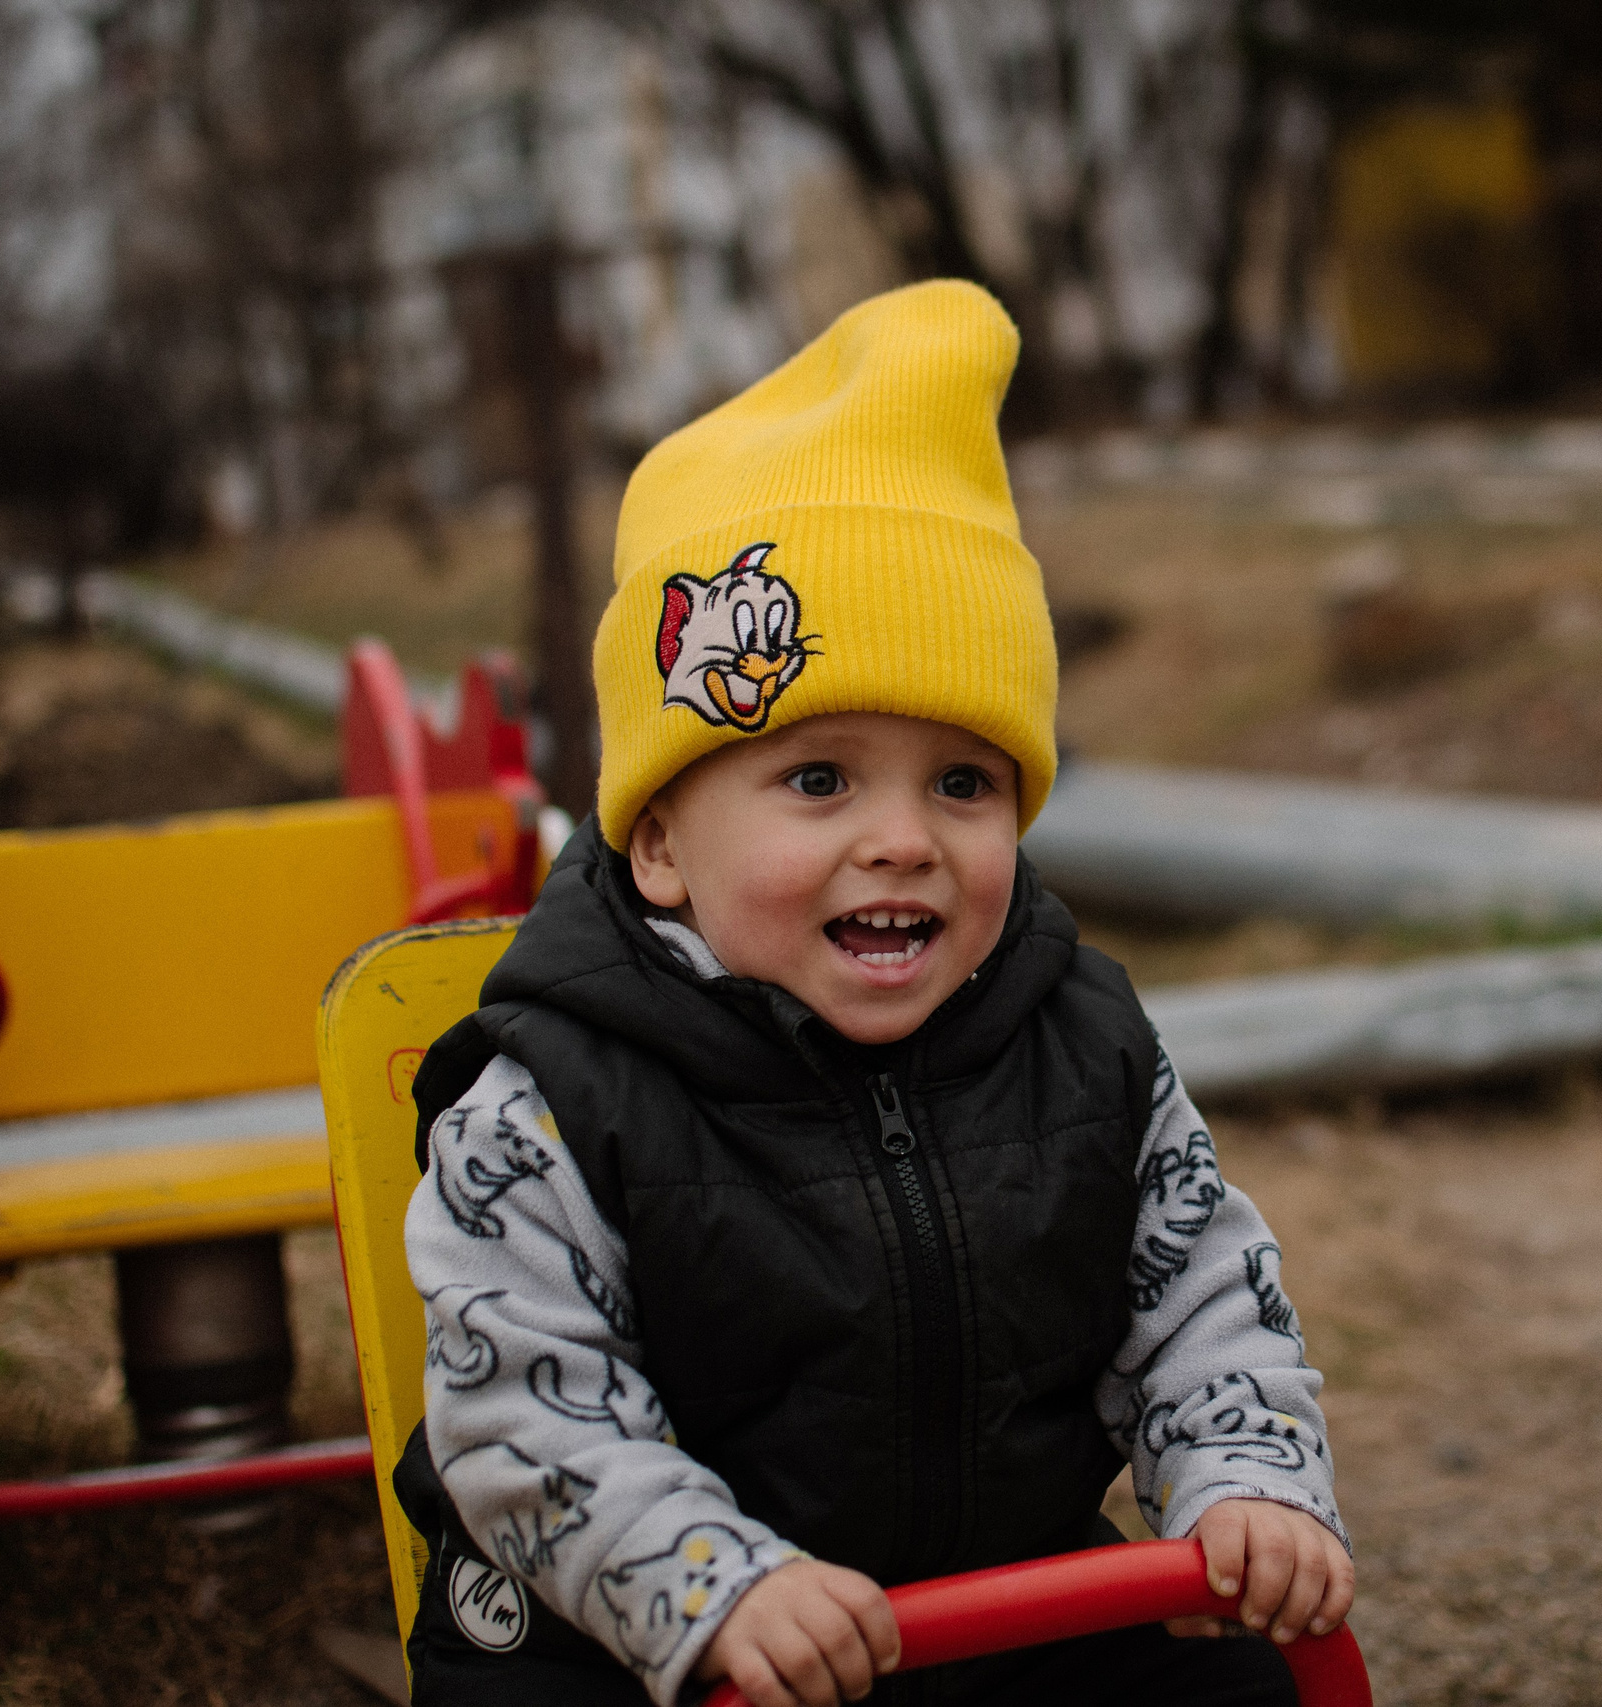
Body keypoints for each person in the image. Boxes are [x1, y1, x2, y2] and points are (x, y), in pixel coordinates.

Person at [395, 280, 1349, 1707]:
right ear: (657, 839)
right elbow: (523, 1409)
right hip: (633, 1633)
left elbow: (1198, 1295)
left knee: (1243, 1685)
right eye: (820, 778)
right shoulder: (552, 1102)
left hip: (989, 1612)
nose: (902, 838)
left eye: (963, 782)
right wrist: (716, 1584)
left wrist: (1247, 1477)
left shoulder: (1085, 1049)